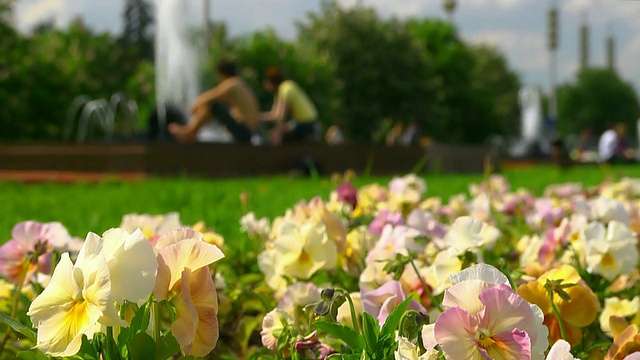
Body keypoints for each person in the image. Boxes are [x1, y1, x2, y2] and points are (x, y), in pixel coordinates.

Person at [168, 59, 260, 144]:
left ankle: (189, 132)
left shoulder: (232, 83)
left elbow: (209, 97)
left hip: (245, 132)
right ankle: (191, 132)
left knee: (213, 105)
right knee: (215, 106)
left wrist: (195, 106)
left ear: (220, 74)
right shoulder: (239, 84)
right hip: (249, 132)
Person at [259, 67, 319, 145]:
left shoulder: (286, 88)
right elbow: (274, 114)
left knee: (278, 136)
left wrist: (277, 135)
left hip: (307, 123)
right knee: (274, 133)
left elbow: (280, 117)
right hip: (302, 122)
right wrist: (258, 117)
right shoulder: (281, 90)